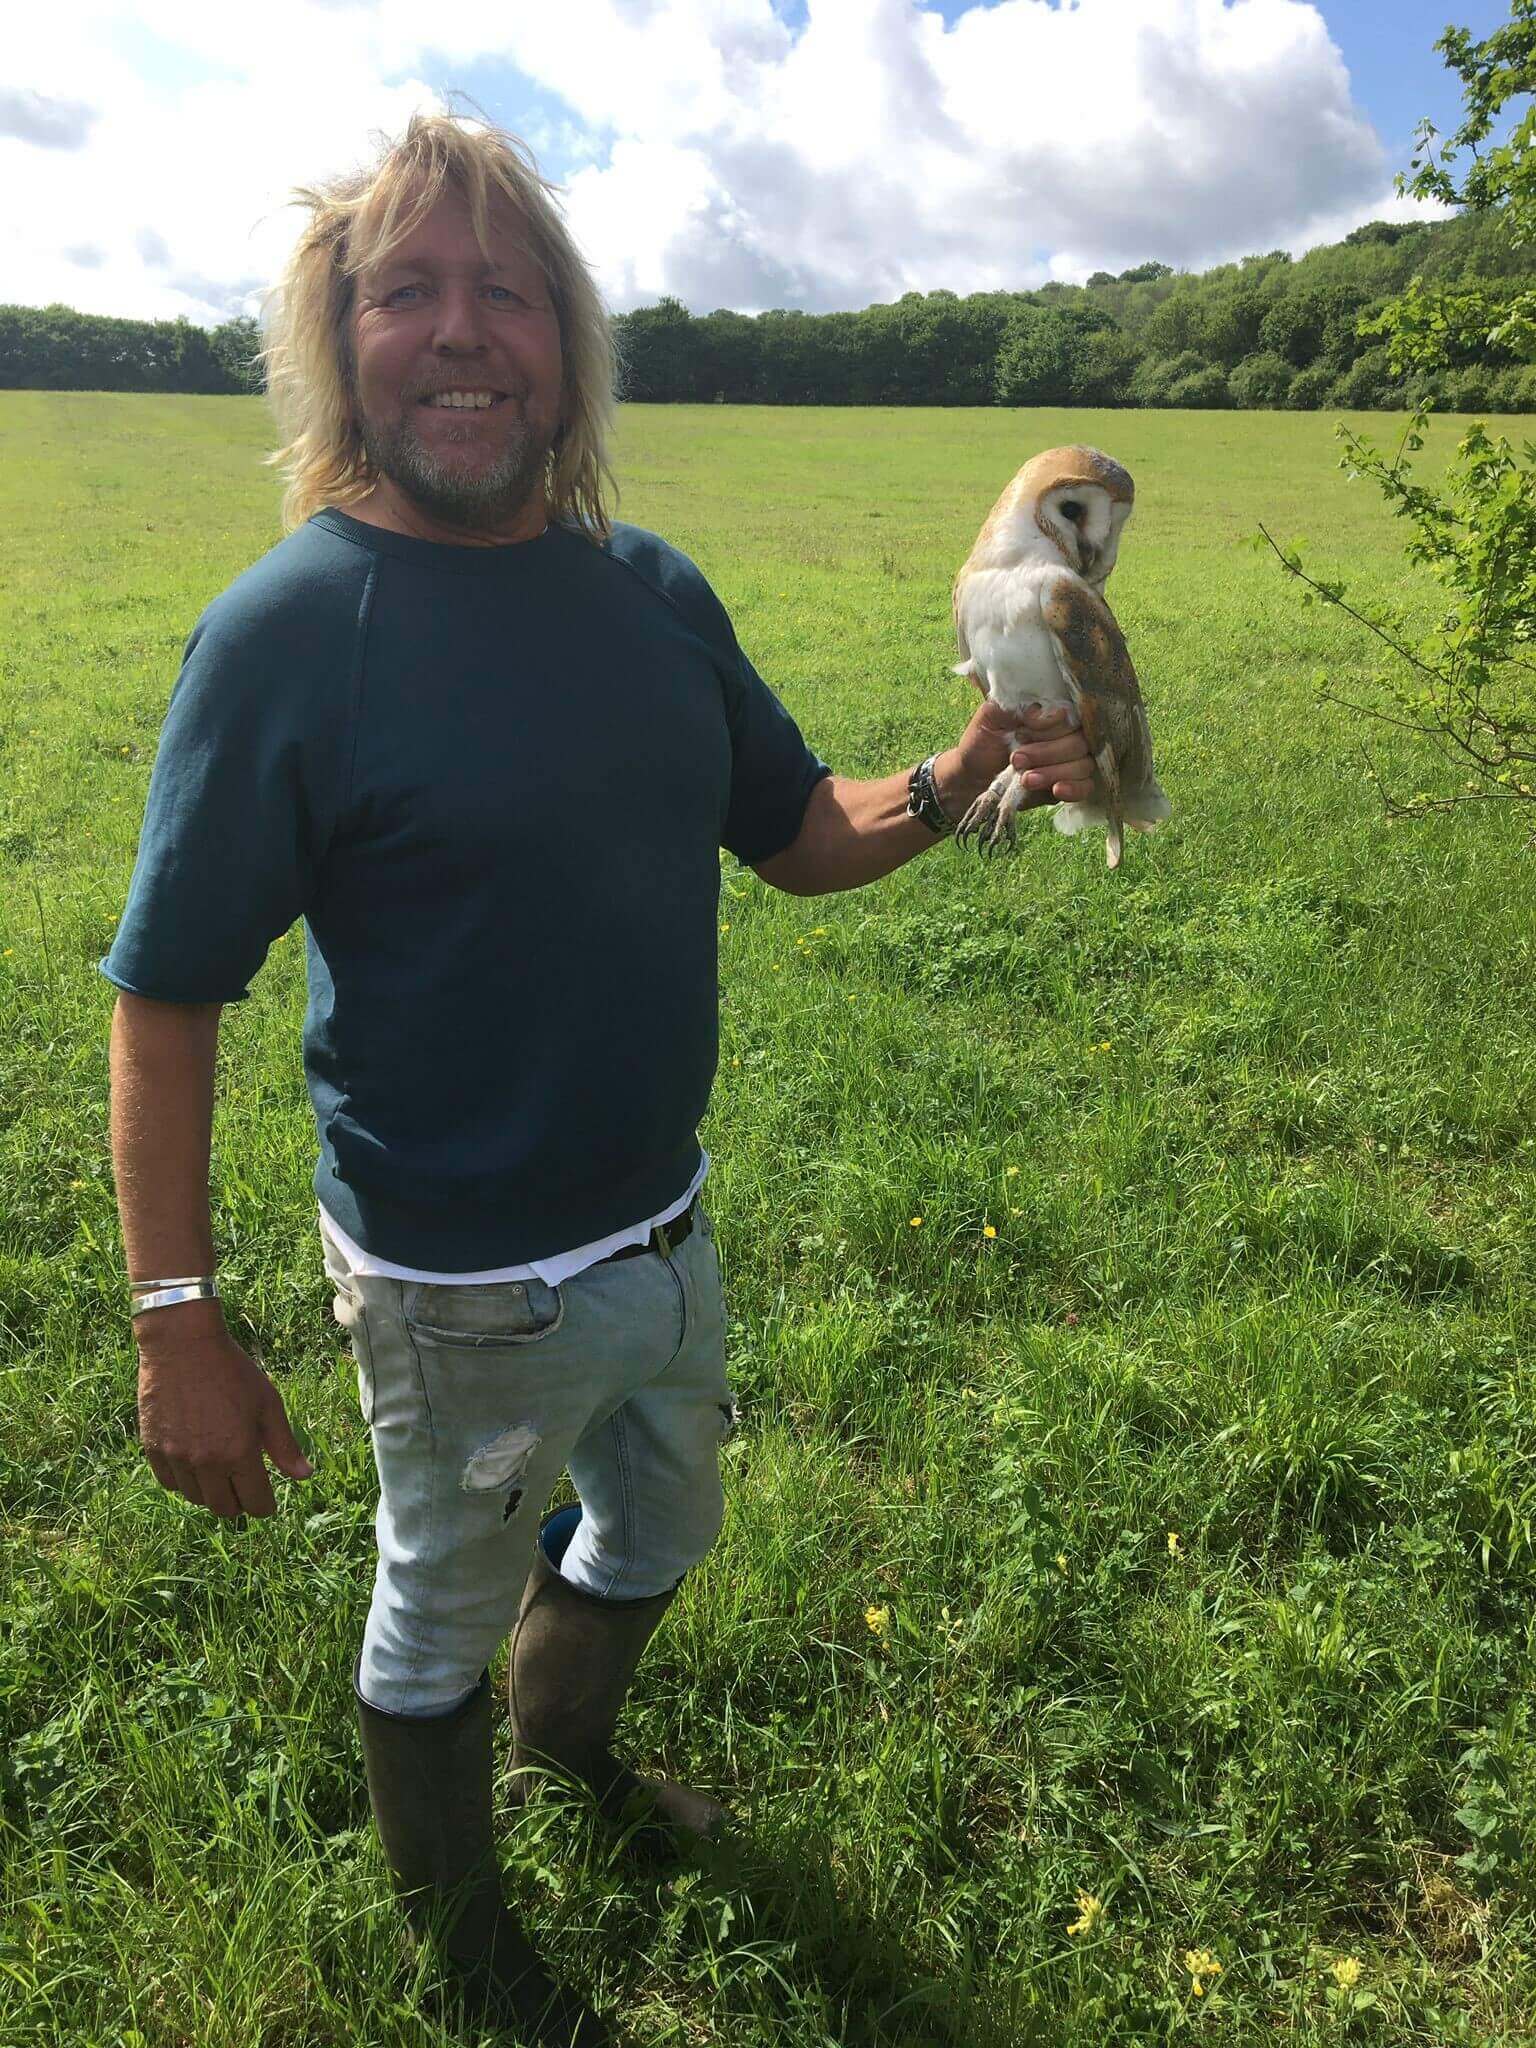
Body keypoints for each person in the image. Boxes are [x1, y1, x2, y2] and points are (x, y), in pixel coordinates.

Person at [102, 112, 1096, 2048]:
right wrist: (175, 1320)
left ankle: (570, 1747)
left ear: (565, 345)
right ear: (338, 337)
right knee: (434, 1610)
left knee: (659, 1526)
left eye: (507, 292)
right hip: (459, 1286)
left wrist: (972, 762)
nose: (461, 334)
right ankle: (472, 1953)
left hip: (666, 1219)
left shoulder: (649, 588)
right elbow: (166, 1000)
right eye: (408, 290)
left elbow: (798, 831)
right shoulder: (287, 636)